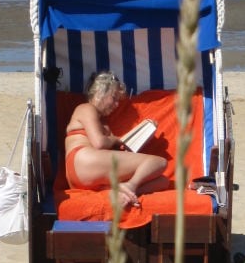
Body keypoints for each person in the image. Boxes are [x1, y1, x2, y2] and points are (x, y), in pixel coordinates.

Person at [64, 70, 170, 208]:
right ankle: (130, 186)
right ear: (101, 91)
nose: (116, 105)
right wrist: (115, 140)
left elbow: (107, 151)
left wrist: (143, 135)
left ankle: (121, 191)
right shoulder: (86, 108)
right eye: (114, 98)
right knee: (160, 162)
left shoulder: (102, 123)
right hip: (82, 161)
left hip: (85, 174)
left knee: (162, 181)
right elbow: (99, 143)